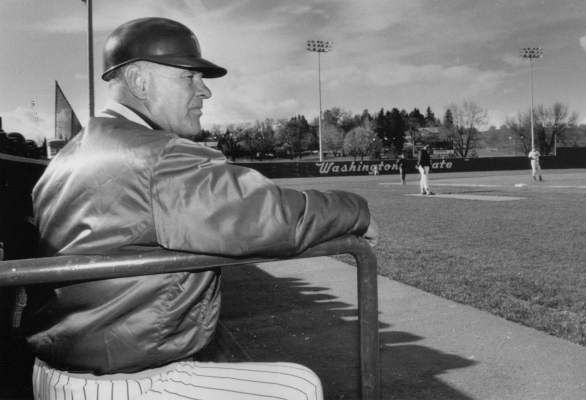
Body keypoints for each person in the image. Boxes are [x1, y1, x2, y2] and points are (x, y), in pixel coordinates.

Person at [22, 17, 377, 400]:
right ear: (141, 82)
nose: (204, 90)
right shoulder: (157, 154)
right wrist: (358, 211)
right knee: (296, 388)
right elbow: (269, 216)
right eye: (188, 77)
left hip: (55, 376)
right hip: (121, 383)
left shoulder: (72, 153)